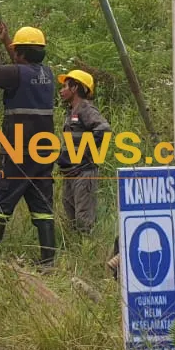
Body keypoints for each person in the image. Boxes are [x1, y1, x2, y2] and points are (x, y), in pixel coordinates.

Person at [0, 24, 57, 265]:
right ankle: (48, 263)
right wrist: (7, 39)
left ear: (20, 53)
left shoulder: (15, 73)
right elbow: (22, 69)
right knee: (42, 207)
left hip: (16, 151)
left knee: (1, 203)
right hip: (43, 153)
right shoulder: (47, 75)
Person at [57, 69, 111, 234]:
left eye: (65, 86)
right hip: (71, 172)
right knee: (70, 211)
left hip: (84, 171)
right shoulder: (71, 111)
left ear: (75, 88)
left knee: (83, 216)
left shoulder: (85, 109)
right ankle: (76, 250)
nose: (61, 90)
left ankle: (87, 250)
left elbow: (104, 129)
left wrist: (84, 152)